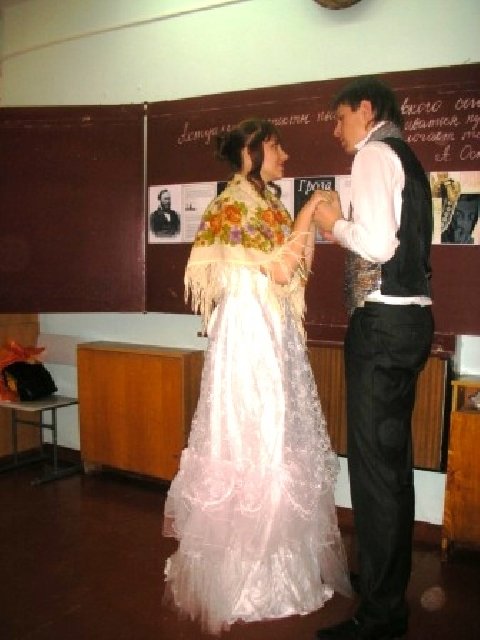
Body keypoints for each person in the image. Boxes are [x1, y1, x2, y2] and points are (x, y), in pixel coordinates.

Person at [162, 118, 352, 635]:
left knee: (276, 433)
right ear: (250, 152)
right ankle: (242, 572)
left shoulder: (266, 203)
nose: (284, 154)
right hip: (249, 333)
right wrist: (309, 211)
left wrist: (303, 219)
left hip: (271, 328)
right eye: (275, 145)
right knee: (254, 434)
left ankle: (278, 567)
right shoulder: (235, 204)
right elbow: (282, 270)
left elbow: (296, 266)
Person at [313, 77, 434, 640]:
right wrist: (345, 223)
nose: (336, 131)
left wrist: (331, 224)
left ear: (365, 110)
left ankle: (382, 613)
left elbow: (379, 245)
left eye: (339, 118)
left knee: (374, 476)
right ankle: (384, 585)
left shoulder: (374, 153)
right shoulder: (405, 156)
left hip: (382, 325)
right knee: (391, 469)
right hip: (409, 323)